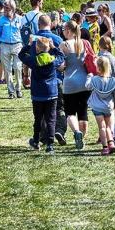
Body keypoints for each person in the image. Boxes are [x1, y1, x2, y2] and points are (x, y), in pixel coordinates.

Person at [18, 36, 65, 154]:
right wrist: (54, 47)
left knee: (38, 118)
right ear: (48, 48)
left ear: (37, 49)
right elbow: (61, 56)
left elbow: (21, 55)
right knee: (51, 119)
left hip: (38, 94)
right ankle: (50, 143)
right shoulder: (53, 60)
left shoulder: (34, 61)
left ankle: (36, 140)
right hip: (51, 93)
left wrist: (29, 45)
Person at [59, 21, 91, 150]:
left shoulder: (64, 44)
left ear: (68, 30)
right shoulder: (85, 43)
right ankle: (82, 139)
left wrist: (61, 68)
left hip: (69, 82)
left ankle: (76, 132)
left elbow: (61, 66)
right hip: (84, 82)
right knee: (83, 113)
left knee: (70, 112)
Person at [36, 15, 67, 145]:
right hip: (56, 79)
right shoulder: (57, 39)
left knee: (41, 110)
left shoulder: (34, 39)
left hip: (38, 80)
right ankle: (59, 130)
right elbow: (63, 60)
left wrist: (25, 75)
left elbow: (26, 60)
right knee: (59, 108)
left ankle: (44, 136)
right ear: (51, 24)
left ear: (38, 25)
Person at [85, 57, 115, 155]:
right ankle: (111, 143)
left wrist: (89, 77)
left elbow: (87, 87)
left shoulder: (94, 79)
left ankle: (105, 147)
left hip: (97, 106)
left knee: (101, 127)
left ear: (98, 68)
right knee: (109, 126)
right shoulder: (113, 81)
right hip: (108, 106)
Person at [0, 0, 24, 99]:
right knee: (7, 69)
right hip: (4, 45)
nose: (5, 10)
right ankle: (11, 91)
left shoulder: (20, 19)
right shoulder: (1, 19)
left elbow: (24, 34)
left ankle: (18, 88)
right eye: (4, 8)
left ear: (13, 9)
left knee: (18, 67)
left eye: (7, 8)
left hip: (17, 45)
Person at [21, 0, 43, 89]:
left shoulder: (25, 16)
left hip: (26, 41)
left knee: (27, 60)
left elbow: (21, 29)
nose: (42, 4)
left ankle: (26, 78)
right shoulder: (40, 15)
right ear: (38, 3)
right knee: (38, 61)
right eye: (42, 2)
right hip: (37, 41)